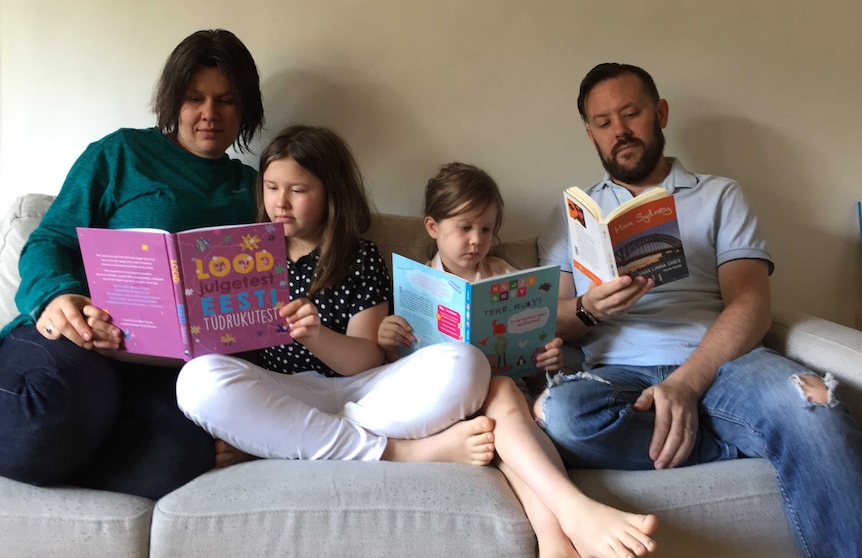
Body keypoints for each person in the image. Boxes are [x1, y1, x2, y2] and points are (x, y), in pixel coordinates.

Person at [536, 62, 862, 558]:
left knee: (814, 408)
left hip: (723, 364)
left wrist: (687, 383)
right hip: (618, 373)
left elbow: (751, 304)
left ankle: (716, 420)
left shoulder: (719, 195)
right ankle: (726, 440)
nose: (619, 130)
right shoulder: (574, 214)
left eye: (631, 113)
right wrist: (586, 310)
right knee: (563, 415)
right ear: (591, 135)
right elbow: (550, 323)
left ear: (660, 113)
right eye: (603, 123)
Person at [0, 29, 265, 499]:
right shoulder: (121, 153)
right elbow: (50, 239)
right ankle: (70, 431)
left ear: (245, 109)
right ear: (171, 101)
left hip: (169, 374)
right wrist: (57, 297)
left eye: (226, 100)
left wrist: (253, 423)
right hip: (87, 341)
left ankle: (86, 434)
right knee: (36, 425)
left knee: (178, 461)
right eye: (194, 98)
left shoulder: (254, 188)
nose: (210, 114)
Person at [379, 162, 658, 558]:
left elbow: (538, 341)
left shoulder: (506, 278)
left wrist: (550, 356)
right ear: (432, 227)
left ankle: (554, 542)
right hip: (447, 408)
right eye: (464, 227)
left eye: (487, 229)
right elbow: (394, 367)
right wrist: (387, 339)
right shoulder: (414, 284)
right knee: (503, 399)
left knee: (506, 416)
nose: (477, 240)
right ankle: (574, 513)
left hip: (503, 401)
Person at [176, 126, 495, 469]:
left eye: (297, 190)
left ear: (330, 193)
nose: (280, 202)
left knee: (468, 364)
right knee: (196, 380)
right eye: (271, 188)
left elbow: (365, 360)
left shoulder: (358, 255)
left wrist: (316, 336)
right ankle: (395, 451)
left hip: (362, 392)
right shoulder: (241, 254)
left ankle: (287, 440)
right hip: (284, 392)